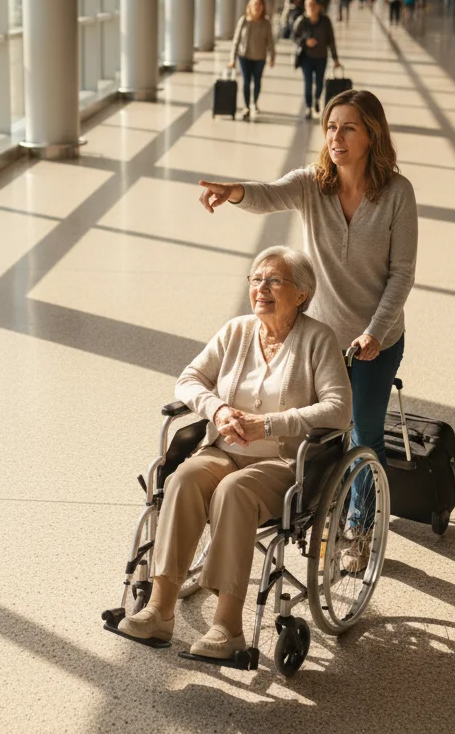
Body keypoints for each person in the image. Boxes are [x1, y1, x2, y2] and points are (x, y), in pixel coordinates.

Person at [194, 89, 418, 572]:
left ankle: (360, 526)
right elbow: (266, 195)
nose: (336, 137)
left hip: (377, 340)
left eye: (348, 128)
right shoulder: (312, 185)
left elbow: (402, 273)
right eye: (331, 127)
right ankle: (306, 502)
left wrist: (376, 332)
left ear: (371, 134)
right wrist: (232, 192)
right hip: (319, 338)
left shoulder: (397, 194)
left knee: (364, 433)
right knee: (315, 428)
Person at [116, 246, 351, 659]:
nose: (261, 288)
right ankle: (159, 608)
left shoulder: (319, 339)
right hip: (223, 447)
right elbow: (189, 380)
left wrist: (271, 424)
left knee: (233, 492)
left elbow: (339, 409)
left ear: (301, 294)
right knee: (185, 479)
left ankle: (227, 627)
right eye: (256, 279)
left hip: (283, 461)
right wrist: (218, 409)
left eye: (274, 280)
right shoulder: (236, 331)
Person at [230, 0, 277, 122]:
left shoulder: (266, 23)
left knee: (257, 81)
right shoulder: (244, 21)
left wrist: (272, 56)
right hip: (244, 56)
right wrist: (232, 59)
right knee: (246, 81)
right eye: (254, 4)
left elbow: (270, 42)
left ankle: (254, 102)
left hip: (260, 57)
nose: (257, 7)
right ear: (249, 6)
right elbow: (236, 40)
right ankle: (246, 106)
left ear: (263, 7)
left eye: (260, 4)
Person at [293, 0, 341, 119]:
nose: (311, 7)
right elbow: (295, 37)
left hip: (321, 57)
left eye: (314, 5)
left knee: (319, 83)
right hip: (306, 58)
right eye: (308, 5)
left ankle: (317, 99)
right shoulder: (302, 21)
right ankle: (309, 107)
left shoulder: (325, 21)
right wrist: (305, 42)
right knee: (308, 83)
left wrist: (335, 59)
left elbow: (331, 40)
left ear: (319, 7)